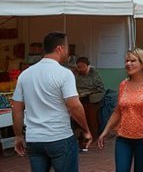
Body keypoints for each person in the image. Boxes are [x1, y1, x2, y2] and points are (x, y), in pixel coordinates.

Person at [12, 31, 92, 172]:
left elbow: (17, 109)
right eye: (67, 48)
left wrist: (18, 136)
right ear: (60, 48)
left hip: (34, 139)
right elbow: (74, 106)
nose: (68, 52)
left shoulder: (25, 75)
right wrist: (86, 129)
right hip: (59, 137)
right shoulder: (64, 73)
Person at [97, 48, 143, 172]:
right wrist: (105, 131)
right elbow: (117, 111)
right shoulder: (123, 84)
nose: (128, 64)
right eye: (127, 61)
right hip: (123, 137)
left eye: (133, 61)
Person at [74, 56, 105, 151]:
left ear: (87, 66)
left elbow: (100, 87)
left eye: (82, 66)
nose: (80, 69)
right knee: (78, 118)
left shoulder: (94, 74)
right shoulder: (76, 75)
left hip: (93, 99)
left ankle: (94, 138)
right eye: (78, 66)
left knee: (92, 120)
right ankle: (81, 138)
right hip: (80, 98)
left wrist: (88, 92)